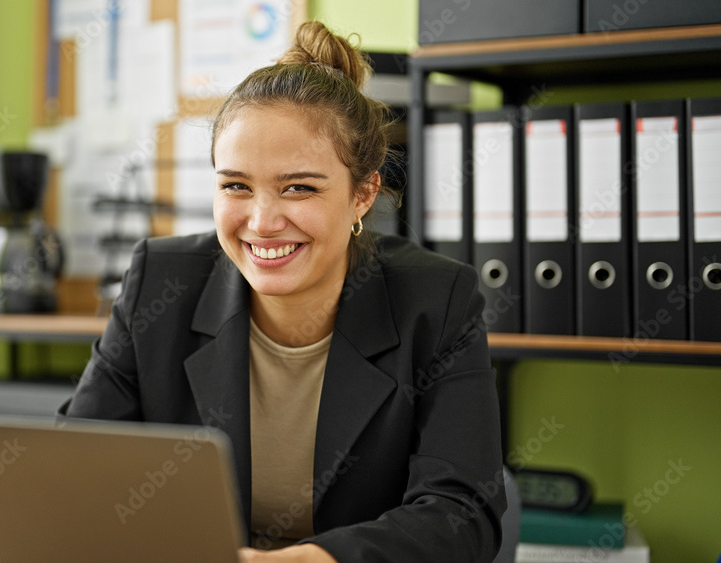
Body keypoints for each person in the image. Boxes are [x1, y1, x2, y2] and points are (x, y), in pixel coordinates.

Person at [61, 20, 506, 562]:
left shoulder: (437, 301)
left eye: (298, 188)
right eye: (236, 186)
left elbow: (463, 513)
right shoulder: (161, 281)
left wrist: (315, 560)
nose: (262, 221)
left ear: (363, 194)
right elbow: (74, 466)